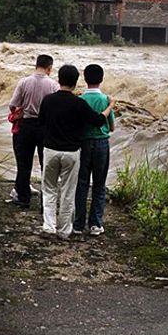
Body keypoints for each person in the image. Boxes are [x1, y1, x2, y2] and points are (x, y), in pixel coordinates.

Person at [38, 65, 114, 238]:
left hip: (50, 150)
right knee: (67, 191)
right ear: (75, 82)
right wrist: (110, 106)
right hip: (72, 153)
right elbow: (97, 120)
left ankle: (49, 226)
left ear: (58, 80)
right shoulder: (78, 103)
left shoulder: (48, 100)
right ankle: (64, 230)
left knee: (49, 189)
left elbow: (41, 122)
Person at [8, 54, 59, 208]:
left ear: (36, 65)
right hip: (45, 127)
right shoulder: (53, 85)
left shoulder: (24, 82)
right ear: (49, 68)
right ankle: (46, 201)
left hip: (26, 125)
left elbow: (13, 104)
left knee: (24, 164)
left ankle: (23, 198)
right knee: (47, 165)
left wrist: (20, 111)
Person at [73, 64, 115, 236]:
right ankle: (96, 224)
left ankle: (78, 224)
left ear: (85, 78)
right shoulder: (105, 100)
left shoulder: (81, 99)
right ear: (102, 79)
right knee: (99, 184)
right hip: (101, 144)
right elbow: (111, 127)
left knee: (82, 183)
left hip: (83, 144)